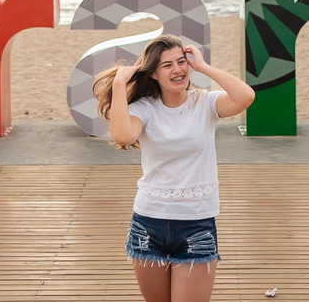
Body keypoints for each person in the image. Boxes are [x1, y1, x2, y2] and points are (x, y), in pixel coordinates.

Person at [93, 33, 256, 302]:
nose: (178, 70)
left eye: (181, 62)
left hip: (197, 224)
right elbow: (123, 136)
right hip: (148, 224)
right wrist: (120, 83)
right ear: (153, 73)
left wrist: (203, 67)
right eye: (167, 65)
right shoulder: (145, 109)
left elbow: (246, 96)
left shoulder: (205, 102)